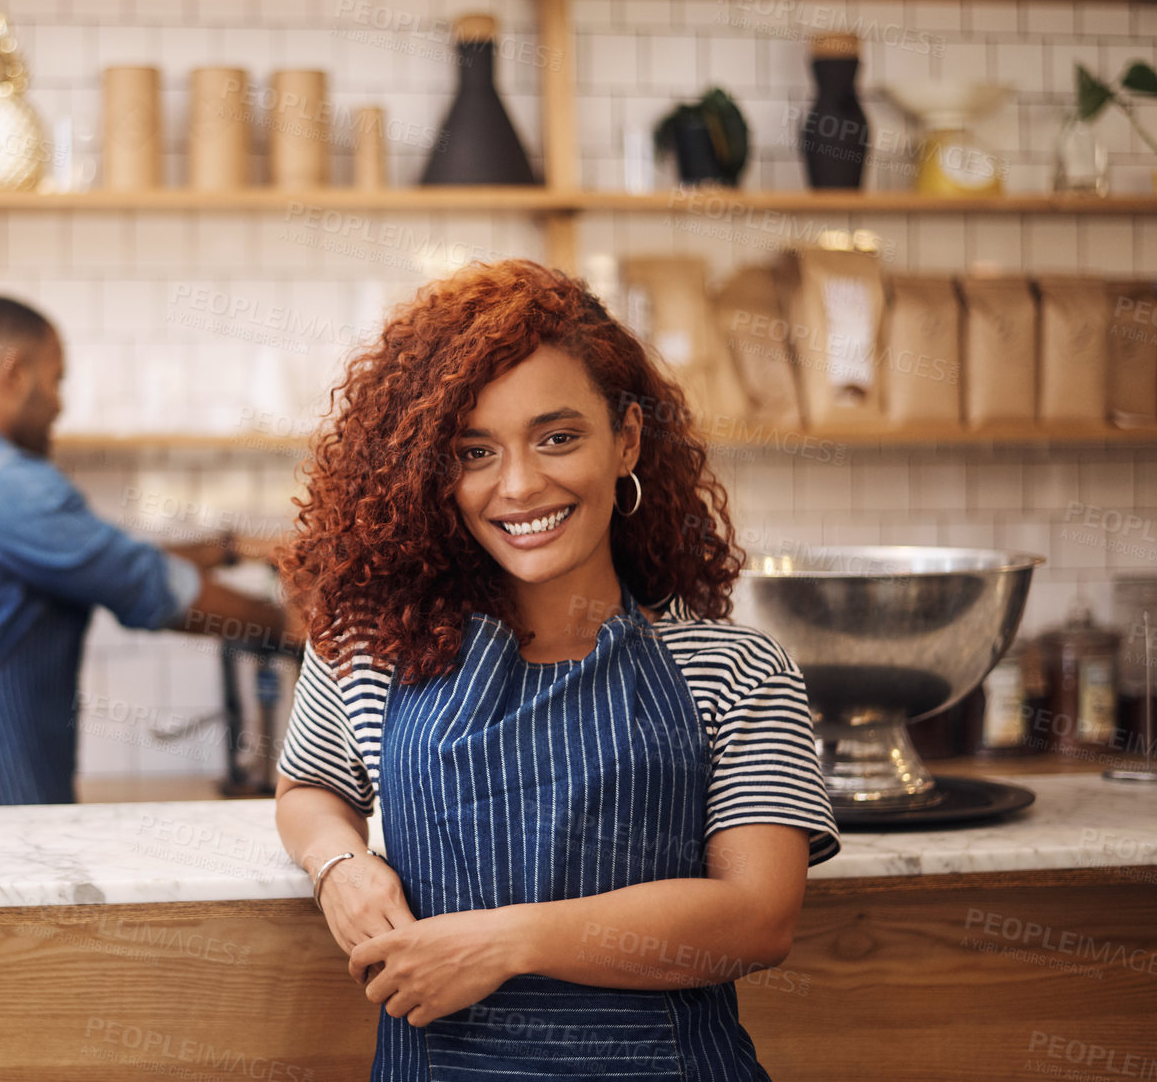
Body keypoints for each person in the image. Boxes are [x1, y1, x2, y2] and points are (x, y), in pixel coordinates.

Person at [273, 259, 839, 1080]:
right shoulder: (370, 647)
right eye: (474, 451)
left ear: (627, 439)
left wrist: (503, 942)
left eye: (557, 437)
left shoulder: (737, 669)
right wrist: (338, 864)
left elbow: (756, 919)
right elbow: (309, 788)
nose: (519, 485)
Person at [0, 295, 289, 809]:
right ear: (15, 374)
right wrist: (287, 621)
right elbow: (143, 585)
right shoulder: (9, 486)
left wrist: (229, 550)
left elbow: (97, 561)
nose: (59, 404)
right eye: (57, 381)